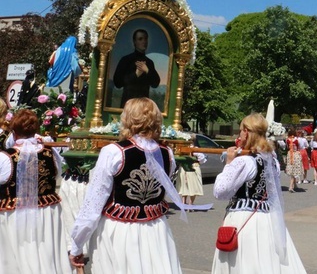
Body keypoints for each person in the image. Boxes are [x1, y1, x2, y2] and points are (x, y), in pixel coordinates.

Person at [69, 97, 195, 273]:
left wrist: (76, 244)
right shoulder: (168, 153)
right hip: (156, 230)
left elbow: (93, 203)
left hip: (119, 230)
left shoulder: (114, 152)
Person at [212, 113, 306, 273]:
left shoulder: (245, 161)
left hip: (243, 218)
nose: (239, 134)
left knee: (243, 263)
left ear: (247, 132)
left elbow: (220, 192)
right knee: (265, 262)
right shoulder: (271, 160)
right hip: (267, 220)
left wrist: (229, 163)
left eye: (241, 130)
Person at [0, 108, 70, 273]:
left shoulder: (5, 157)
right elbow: (58, 173)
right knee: (44, 253)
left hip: (15, 215)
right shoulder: (50, 153)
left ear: (14, 132)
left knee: (17, 256)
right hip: (46, 214)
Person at [113, 29, 161, 107]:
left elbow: (155, 83)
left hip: (144, 106)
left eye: (145, 39)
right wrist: (136, 74)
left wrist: (147, 70)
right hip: (128, 104)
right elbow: (117, 83)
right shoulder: (126, 60)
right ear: (134, 41)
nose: (144, 41)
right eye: (140, 39)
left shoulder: (149, 62)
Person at [178, 134, 207, 206]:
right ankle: (190, 203)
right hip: (193, 167)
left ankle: (183, 202)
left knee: (184, 186)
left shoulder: (182, 148)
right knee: (193, 186)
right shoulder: (195, 148)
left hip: (183, 167)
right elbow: (202, 158)